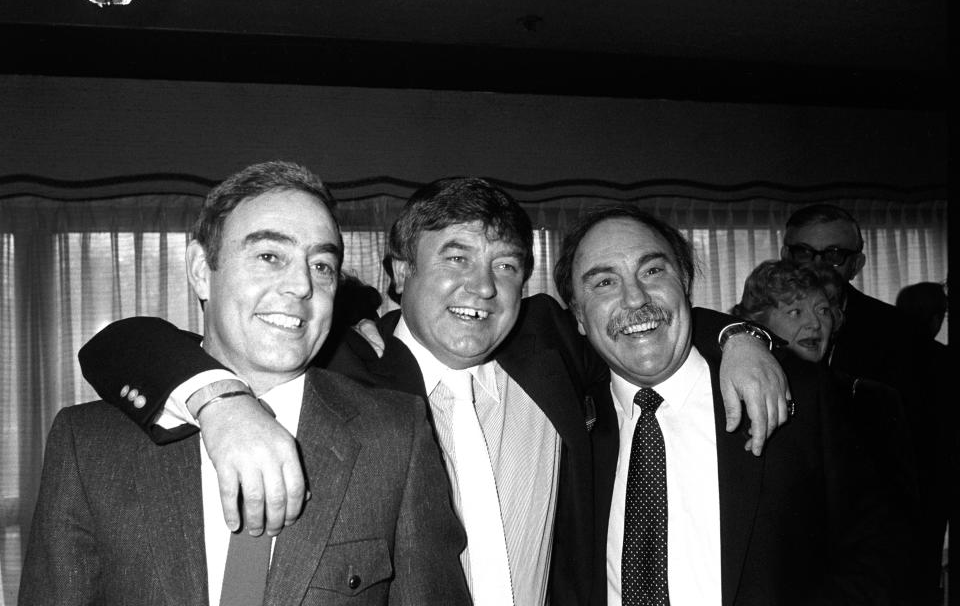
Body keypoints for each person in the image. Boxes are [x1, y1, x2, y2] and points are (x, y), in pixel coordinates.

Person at [77, 178, 790, 605]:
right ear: (395, 273)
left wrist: (739, 338)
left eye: (507, 266)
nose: (484, 287)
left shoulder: (550, 353)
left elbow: (636, 310)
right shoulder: (339, 365)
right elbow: (124, 345)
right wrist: (219, 399)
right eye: (455, 258)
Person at [20, 161, 470, 605]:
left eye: (321, 266)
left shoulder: (393, 437)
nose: (301, 286)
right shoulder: (89, 446)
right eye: (269, 256)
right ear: (201, 268)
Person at [554, 204, 899, 605]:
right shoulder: (567, 426)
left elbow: (878, 554)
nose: (635, 299)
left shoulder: (798, 394)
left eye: (652, 271)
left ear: (684, 281)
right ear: (578, 315)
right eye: (604, 283)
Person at [782, 203, 949, 604]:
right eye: (804, 251)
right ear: (786, 254)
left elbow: (929, 466)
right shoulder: (753, 327)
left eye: (834, 254)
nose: (816, 264)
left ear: (857, 262)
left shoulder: (903, 336)